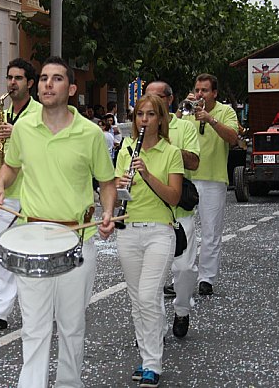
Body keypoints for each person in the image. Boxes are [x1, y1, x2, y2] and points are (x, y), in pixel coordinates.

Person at [0, 56, 116, 387]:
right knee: (35, 326)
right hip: (33, 238)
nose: (47, 84)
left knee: (72, 326)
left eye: (56, 79)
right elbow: (11, 165)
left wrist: (108, 212)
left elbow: (106, 181)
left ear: (71, 88)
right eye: (43, 78)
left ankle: (69, 384)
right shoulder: (24, 129)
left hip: (78, 238)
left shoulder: (90, 134)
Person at [115, 94, 183, 388]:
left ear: (160, 119)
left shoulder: (171, 152)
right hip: (129, 230)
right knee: (137, 301)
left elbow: (174, 196)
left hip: (159, 231)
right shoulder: (125, 149)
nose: (144, 119)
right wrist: (119, 186)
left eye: (150, 114)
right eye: (140, 114)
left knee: (147, 297)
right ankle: (146, 356)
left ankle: (152, 363)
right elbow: (117, 192)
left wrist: (147, 173)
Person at [0, 58, 42, 327]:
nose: (12, 83)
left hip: (34, 191)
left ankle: (36, 308)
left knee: (34, 253)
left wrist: (17, 133)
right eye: (9, 77)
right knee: (4, 252)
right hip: (7, 190)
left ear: (30, 83)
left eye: (18, 78)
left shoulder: (39, 112)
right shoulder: (3, 112)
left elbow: (46, 147)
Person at [145, 81, 200, 339]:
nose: (150, 103)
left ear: (169, 99)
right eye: (147, 98)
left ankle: (182, 309)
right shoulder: (139, 129)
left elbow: (195, 162)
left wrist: (165, 149)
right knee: (151, 276)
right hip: (150, 212)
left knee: (184, 269)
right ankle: (154, 325)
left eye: (156, 97)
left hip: (180, 211)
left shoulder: (184, 127)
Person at [183, 73, 238, 296]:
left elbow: (233, 138)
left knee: (211, 232)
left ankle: (206, 278)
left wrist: (210, 119)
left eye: (204, 90)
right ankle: (182, 275)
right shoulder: (187, 112)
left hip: (214, 179)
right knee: (184, 230)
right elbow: (169, 131)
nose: (199, 94)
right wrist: (181, 109)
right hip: (187, 178)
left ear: (214, 93)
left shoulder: (226, 111)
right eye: (197, 90)